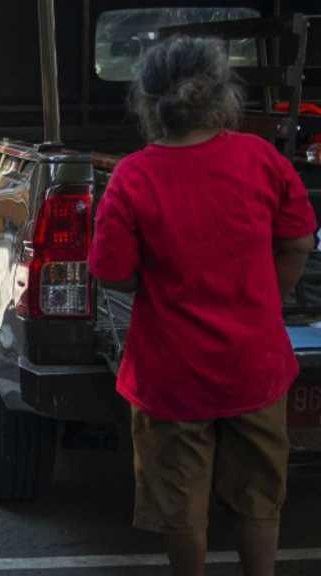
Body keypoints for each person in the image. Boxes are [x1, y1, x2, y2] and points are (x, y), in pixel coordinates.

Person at [89, 37, 316, 576]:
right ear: (222, 96)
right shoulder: (259, 157)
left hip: (169, 374)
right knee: (262, 498)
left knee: (180, 506)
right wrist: (268, 301)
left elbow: (113, 272)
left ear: (148, 104)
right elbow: (299, 240)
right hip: (254, 364)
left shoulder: (134, 177)